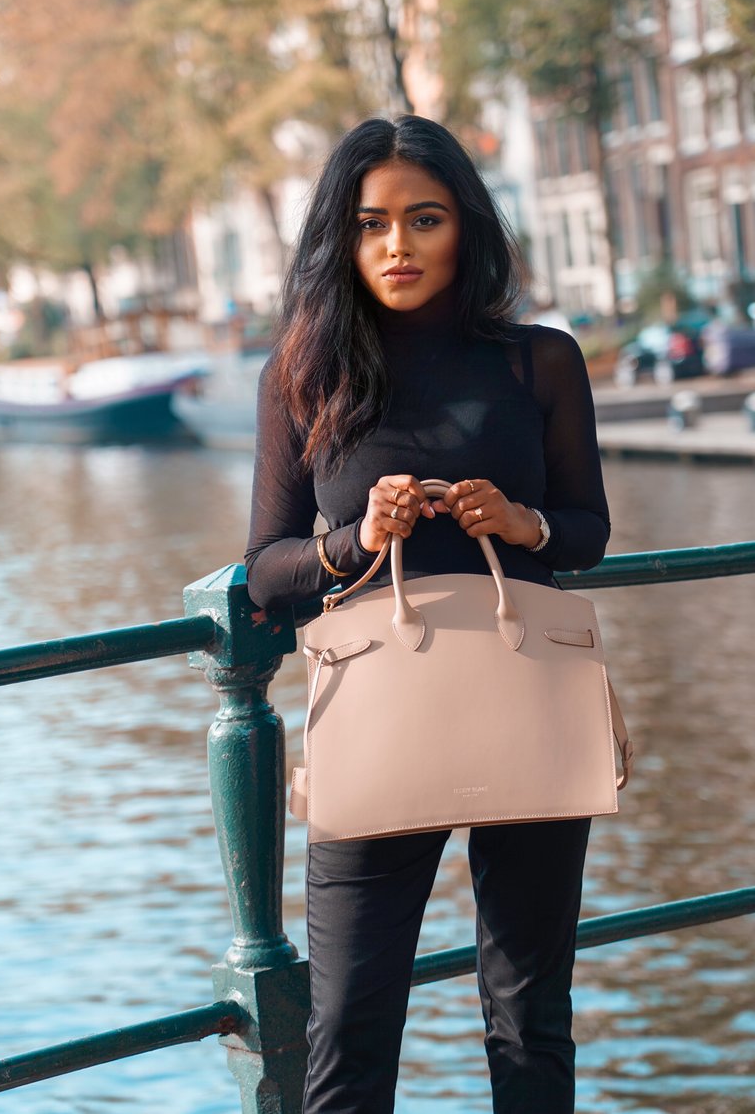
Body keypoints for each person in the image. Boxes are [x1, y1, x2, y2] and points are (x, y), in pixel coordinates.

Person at [245, 114, 610, 1114]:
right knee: (349, 1023)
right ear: (340, 237)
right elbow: (266, 572)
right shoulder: (302, 372)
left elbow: (589, 528)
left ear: (465, 227)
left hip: (522, 688)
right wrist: (353, 541)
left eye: (423, 218)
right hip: (376, 706)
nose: (396, 245)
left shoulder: (538, 360)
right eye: (370, 224)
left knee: (528, 1004)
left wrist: (524, 521)